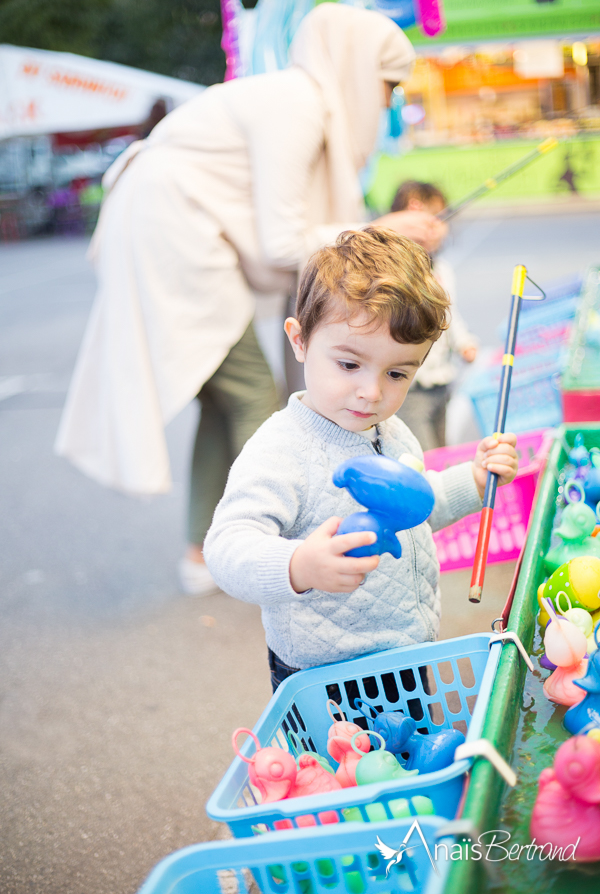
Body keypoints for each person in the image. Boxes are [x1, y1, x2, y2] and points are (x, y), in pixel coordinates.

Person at [55, 4, 448, 597]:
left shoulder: (290, 98)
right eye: (387, 84)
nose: (389, 102)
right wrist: (380, 230)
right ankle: (289, 551)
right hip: (178, 243)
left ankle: (200, 552)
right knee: (249, 397)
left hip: (178, 239)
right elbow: (285, 241)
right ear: (357, 68)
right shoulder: (297, 105)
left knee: (222, 398)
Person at [204, 227, 518, 691]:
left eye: (396, 373)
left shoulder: (391, 430)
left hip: (407, 651)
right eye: (349, 365)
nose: (371, 392)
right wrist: (299, 566)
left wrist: (472, 480)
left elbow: (413, 511)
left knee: (407, 758)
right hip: (327, 675)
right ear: (300, 340)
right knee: (343, 767)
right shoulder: (281, 449)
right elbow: (227, 546)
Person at [391, 181, 478, 451]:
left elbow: (450, 314)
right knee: (421, 455)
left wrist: (463, 341)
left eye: (440, 219)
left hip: (442, 383)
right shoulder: (393, 272)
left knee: (442, 449)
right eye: (422, 220)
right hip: (412, 389)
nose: (433, 228)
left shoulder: (443, 270)